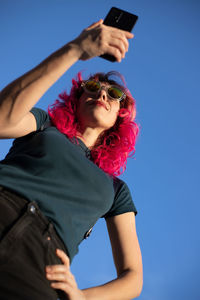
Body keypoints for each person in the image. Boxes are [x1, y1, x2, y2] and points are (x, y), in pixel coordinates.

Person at [0, 19, 143, 300]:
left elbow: (133, 276)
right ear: (75, 100)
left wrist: (83, 297)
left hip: (40, 264)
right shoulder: (44, 124)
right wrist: (76, 48)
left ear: (120, 118)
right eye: (91, 86)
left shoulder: (117, 190)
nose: (101, 92)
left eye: (114, 95)